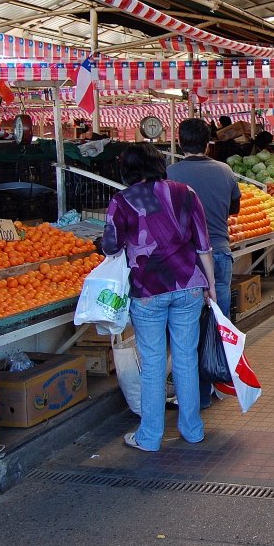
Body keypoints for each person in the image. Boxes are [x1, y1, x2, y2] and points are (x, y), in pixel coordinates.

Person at [101, 143, 216, 452]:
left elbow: (110, 247)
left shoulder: (121, 201)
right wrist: (211, 287)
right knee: (185, 357)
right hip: (189, 285)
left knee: (152, 364)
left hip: (148, 290)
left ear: (127, 169)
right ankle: (192, 430)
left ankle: (150, 437)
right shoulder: (185, 192)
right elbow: (204, 245)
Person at [166, 118, 241, 410]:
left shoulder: (169, 173)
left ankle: (195, 394)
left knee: (188, 329)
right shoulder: (225, 171)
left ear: (180, 142)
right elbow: (234, 207)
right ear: (209, 142)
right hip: (220, 253)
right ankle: (214, 383)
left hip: (184, 260)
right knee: (218, 324)